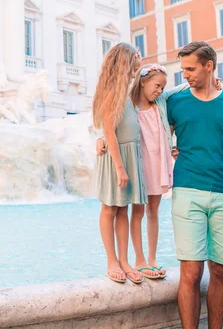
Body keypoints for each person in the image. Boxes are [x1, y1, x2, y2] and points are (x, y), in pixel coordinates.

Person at [168, 41, 223, 329]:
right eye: (182, 69)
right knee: (190, 272)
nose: (185, 74)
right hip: (187, 191)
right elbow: (148, 125)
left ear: (209, 65)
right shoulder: (175, 101)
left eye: (190, 68)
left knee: (221, 270)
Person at [97, 64, 189, 279]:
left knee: (153, 211)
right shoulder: (129, 106)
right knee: (137, 212)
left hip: (158, 164)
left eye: (162, 87)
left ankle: (152, 258)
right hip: (137, 164)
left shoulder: (161, 104)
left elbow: (180, 89)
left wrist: (212, 82)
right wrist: (101, 139)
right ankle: (139, 259)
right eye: (156, 85)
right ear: (142, 82)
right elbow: (115, 128)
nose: (159, 90)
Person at [92, 43, 145, 284]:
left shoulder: (127, 92)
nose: (139, 59)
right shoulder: (112, 91)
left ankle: (124, 260)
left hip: (127, 155)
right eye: (135, 57)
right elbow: (110, 132)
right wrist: (120, 167)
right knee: (109, 208)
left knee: (123, 208)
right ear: (126, 61)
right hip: (116, 158)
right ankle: (111, 261)